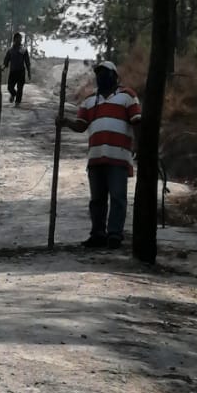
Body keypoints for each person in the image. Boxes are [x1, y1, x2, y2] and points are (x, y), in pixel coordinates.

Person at [57, 59, 142, 250]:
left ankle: (114, 234)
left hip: (119, 156)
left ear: (115, 76)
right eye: (99, 74)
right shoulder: (89, 101)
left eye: (106, 73)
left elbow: (137, 121)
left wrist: (138, 145)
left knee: (118, 197)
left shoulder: (128, 96)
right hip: (96, 158)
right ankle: (98, 234)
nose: (102, 77)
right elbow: (81, 125)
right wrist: (65, 122)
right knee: (97, 200)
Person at [1, 32, 31, 104]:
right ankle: (14, 94)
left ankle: (17, 102)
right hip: (13, 72)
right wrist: (3, 67)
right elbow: (6, 61)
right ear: (14, 39)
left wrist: (29, 72)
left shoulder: (23, 49)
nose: (20, 40)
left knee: (20, 88)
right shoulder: (10, 50)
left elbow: (27, 62)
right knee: (10, 88)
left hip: (21, 72)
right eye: (19, 38)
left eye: (21, 39)